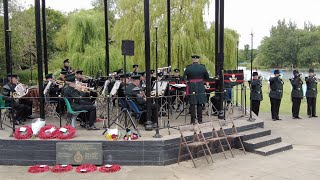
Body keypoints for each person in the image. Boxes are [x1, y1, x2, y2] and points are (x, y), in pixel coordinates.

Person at [183, 55, 210, 124]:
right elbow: (207, 77)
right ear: (198, 60)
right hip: (200, 85)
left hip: (191, 85)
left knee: (192, 103)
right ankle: (200, 120)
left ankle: (192, 121)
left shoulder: (188, 68)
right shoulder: (203, 67)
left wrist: (188, 80)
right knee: (199, 103)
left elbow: (184, 78)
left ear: (192, 60)